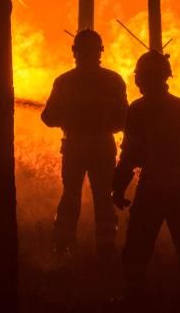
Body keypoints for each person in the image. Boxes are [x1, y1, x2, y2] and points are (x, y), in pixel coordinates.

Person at [112, 50, 180, 301]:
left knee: (137, 244)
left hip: (154, 185)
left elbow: (130, 154)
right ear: (166, 77)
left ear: (141, 80)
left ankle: (134, 297)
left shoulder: (138, 110)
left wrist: (118, 187)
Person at [41, 29, 128, 256]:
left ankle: (63, 244)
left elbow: (48, 118)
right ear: (100, 51)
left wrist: (67, 118)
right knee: (103, 195)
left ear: (74, 52)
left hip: (74, 147)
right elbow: (123, 120)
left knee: (70, 194)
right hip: (102, 147)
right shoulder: (113, 80)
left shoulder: (64, 81)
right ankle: (106, 246)